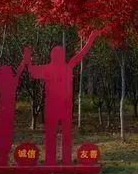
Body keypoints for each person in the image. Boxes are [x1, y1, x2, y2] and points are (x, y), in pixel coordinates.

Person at [26, 30, 99, 165]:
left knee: (65, 134)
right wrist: (28, 61)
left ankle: (65, 160)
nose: (59, 56)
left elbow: (81, 55)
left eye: (60, 54)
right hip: (54, 106)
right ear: (53, 56)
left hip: (64, 106)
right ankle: (51, 160)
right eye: (57, 54)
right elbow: (32, 71)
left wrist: (90, 40)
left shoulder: (67, 67)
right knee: (51, 134)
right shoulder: (51, 68)